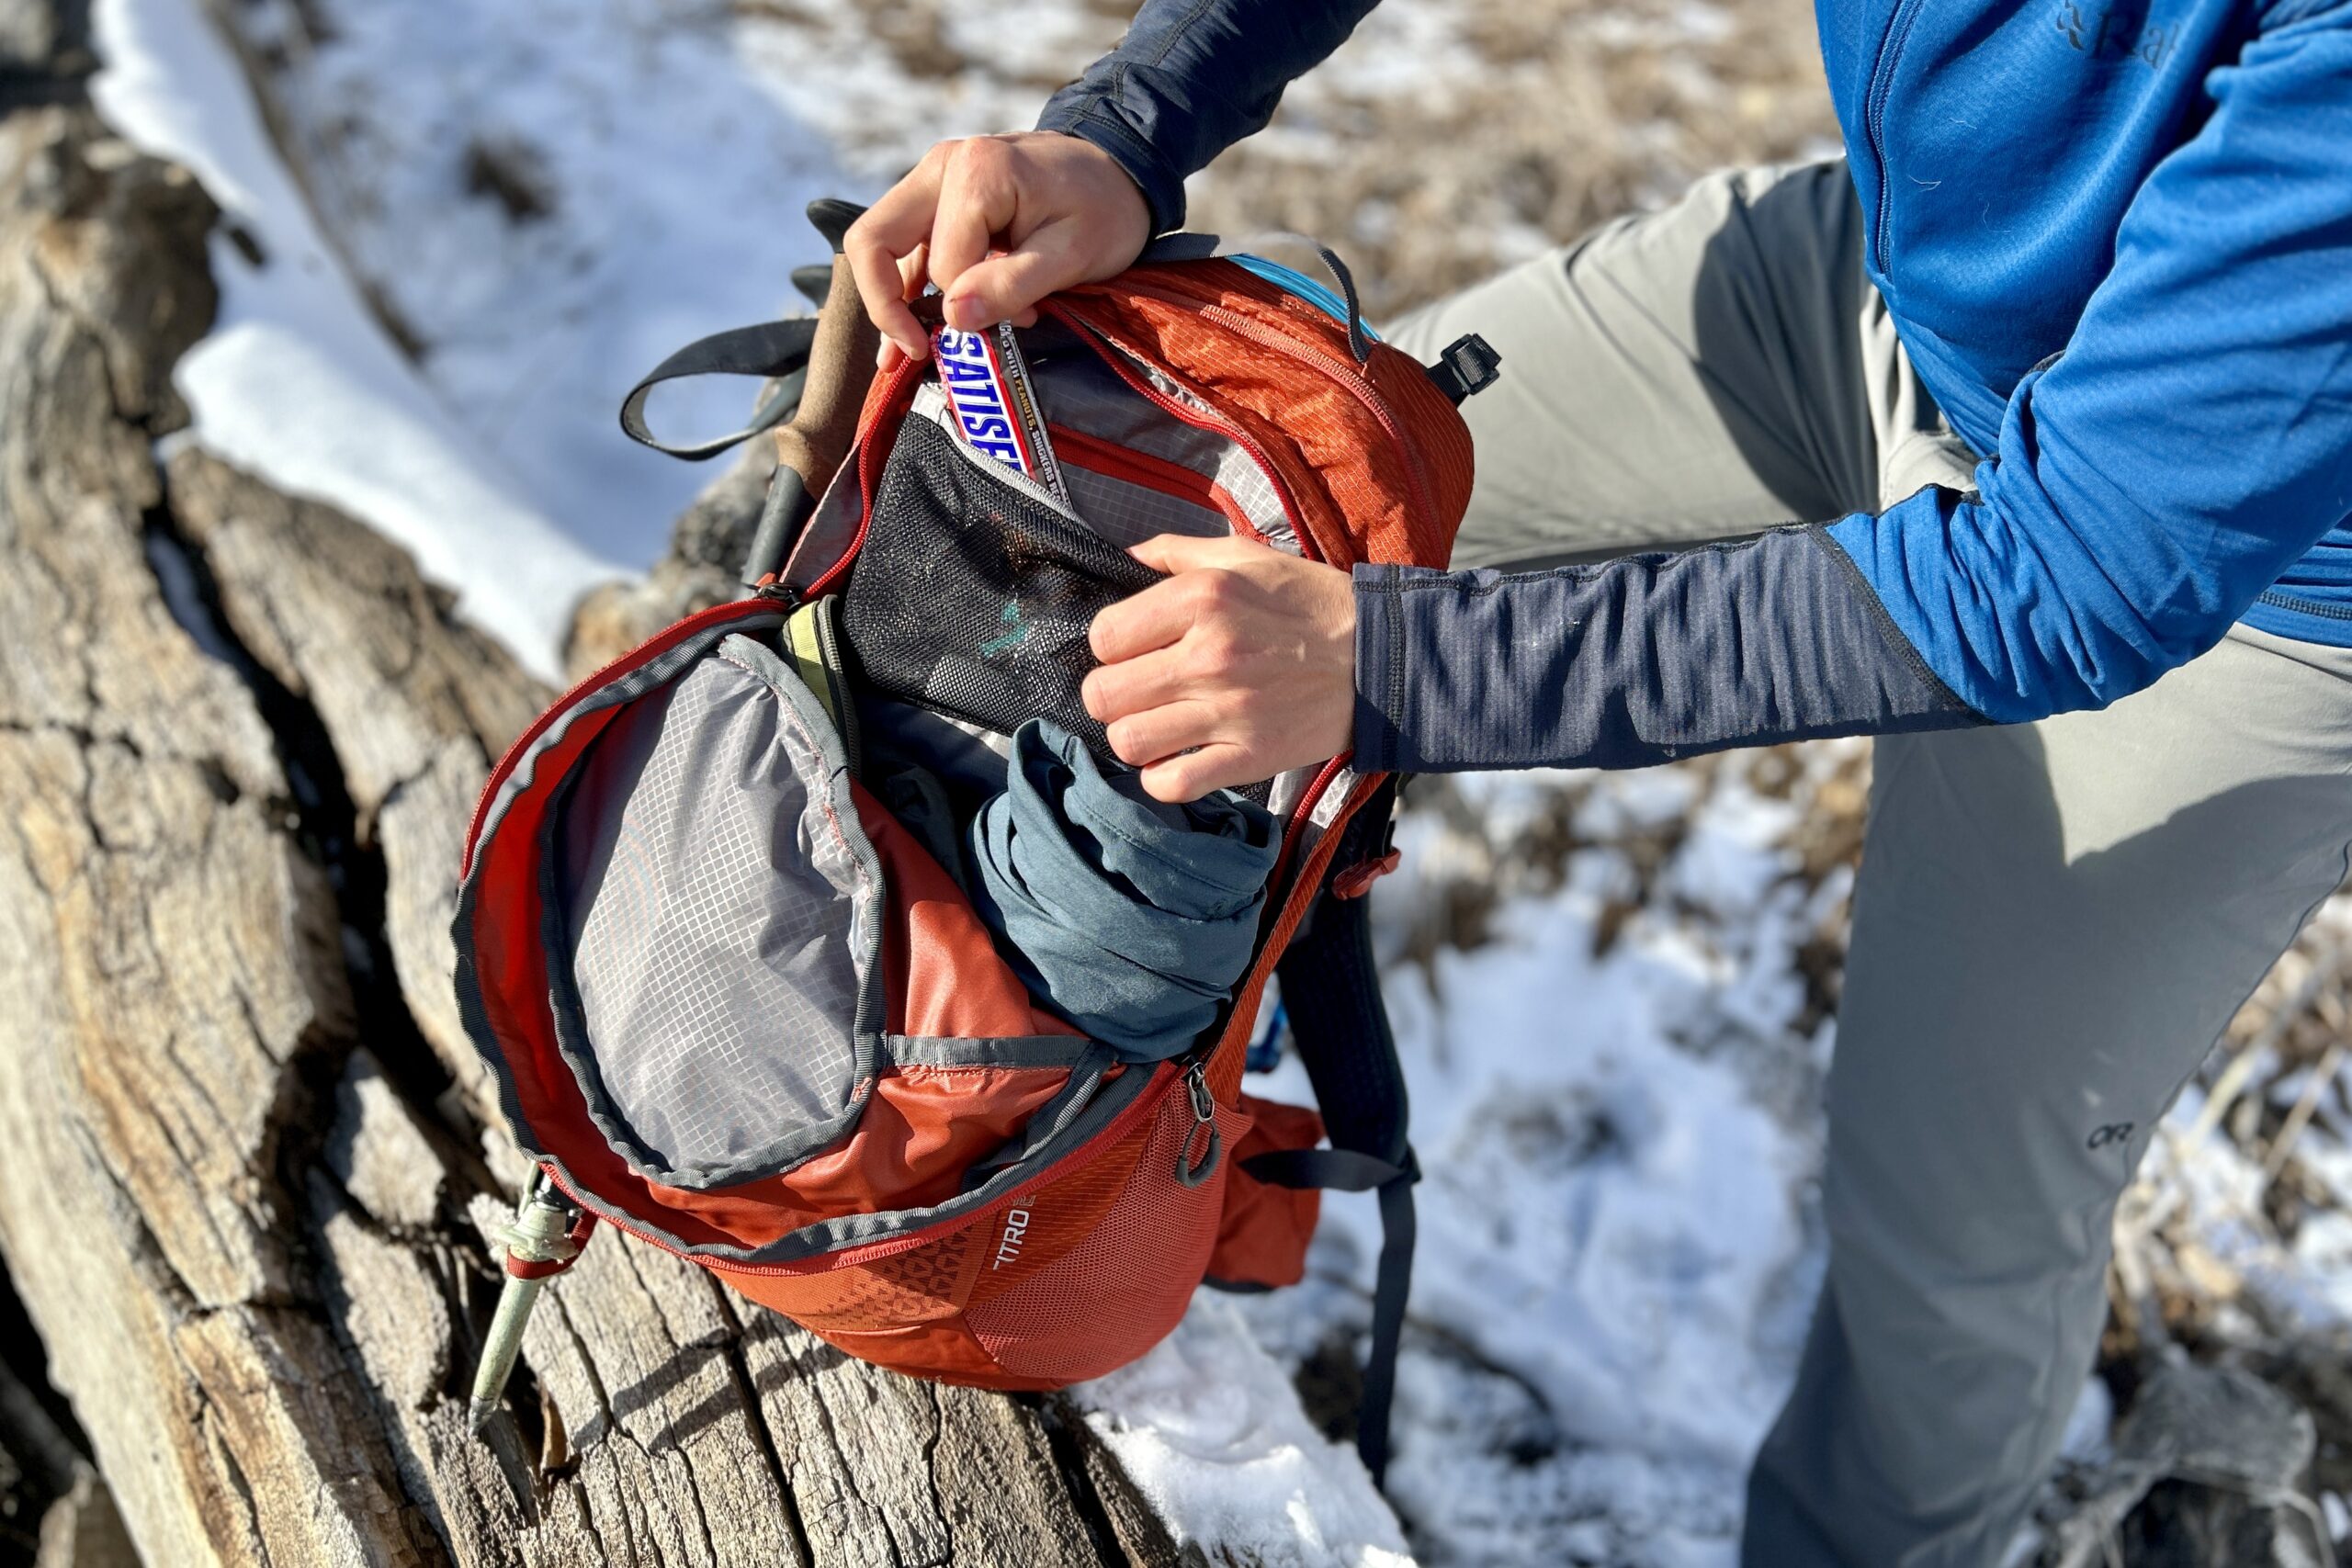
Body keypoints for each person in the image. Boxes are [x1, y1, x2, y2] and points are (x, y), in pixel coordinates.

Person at [842, 0, 2352, 1560]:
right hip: (1893, 297)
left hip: (2246, 573)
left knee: (1953, 1227)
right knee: (1318, 474)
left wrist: (1391, 668)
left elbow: (2074, 579)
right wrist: (1127, 130)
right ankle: (1072, 1138)